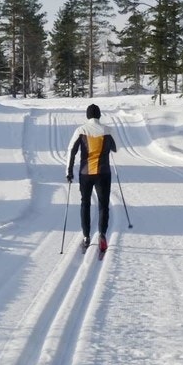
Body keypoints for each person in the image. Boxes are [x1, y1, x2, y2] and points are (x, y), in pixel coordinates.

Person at [65, 103, 117, 253]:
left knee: (85, 204)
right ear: (99, 115)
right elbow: (116, 148)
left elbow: (71, 151)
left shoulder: (80, 130)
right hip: (103, 173)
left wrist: (69, 171)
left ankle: (87, 237)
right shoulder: (107, 130)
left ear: (87, 116)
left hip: (86, 174)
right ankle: (102, 235)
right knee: (103, 205)